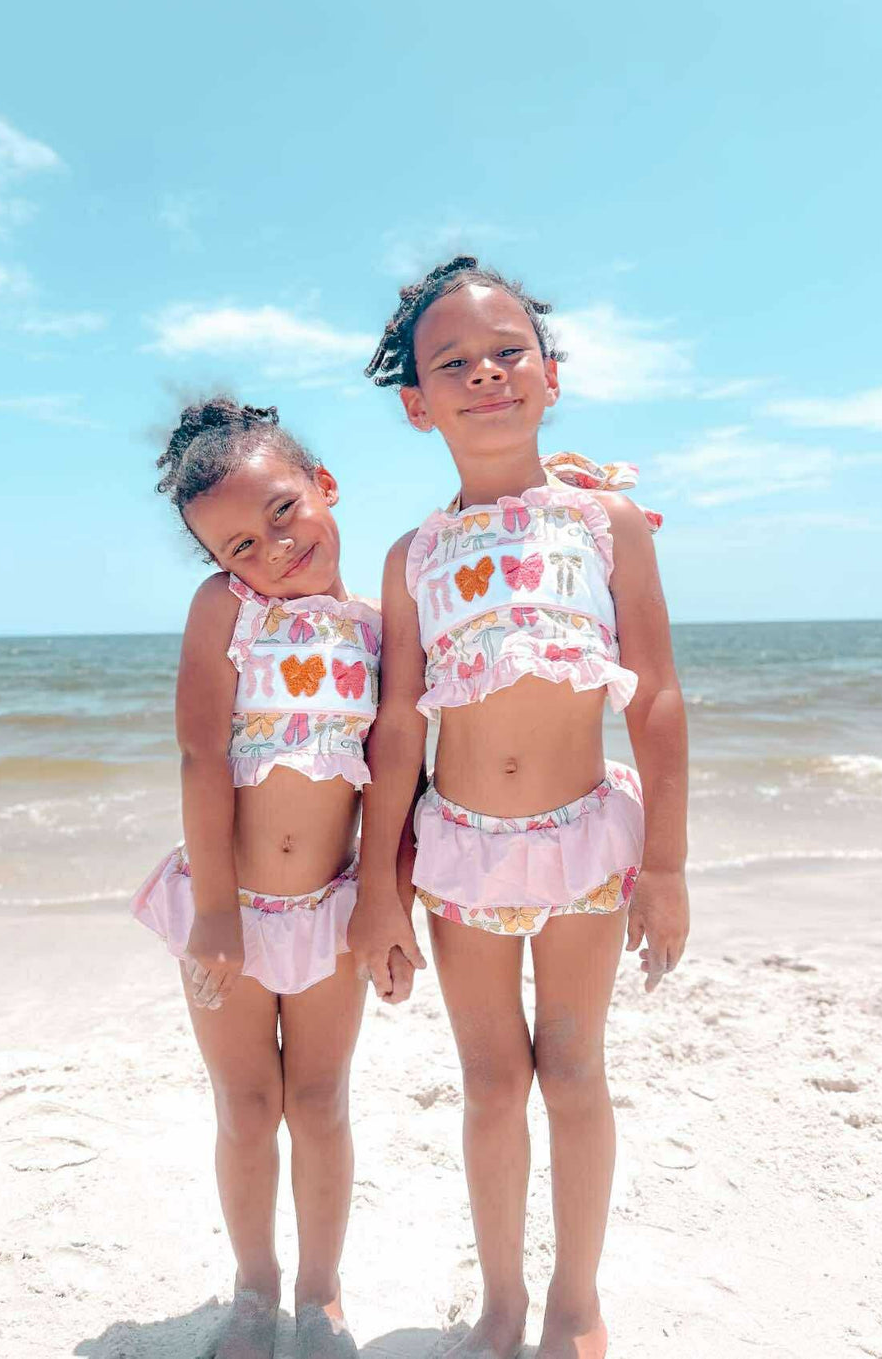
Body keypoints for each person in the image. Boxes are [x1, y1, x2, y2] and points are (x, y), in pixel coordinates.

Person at [350, 258, 689, 1359]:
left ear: (550, 375)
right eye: (453, 363)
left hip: (589, 832)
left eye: (508, 353)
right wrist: (375, 893)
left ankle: (574, 1300)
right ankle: (501, 1300)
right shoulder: (413, 556)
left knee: (576, 1066)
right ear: (416, 403)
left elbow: (659, 697)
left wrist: (671, 867)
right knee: (493, 1081)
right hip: (458, 853)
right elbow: (398, 726)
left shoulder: (605, 525)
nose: (485, 373)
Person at [131, 397, 419, 1359]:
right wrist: (215, 908)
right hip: (231, 910)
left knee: (322, 1101)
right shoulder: (228, 612)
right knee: (248, 1106)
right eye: (240, 545)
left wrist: (386, 900)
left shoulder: (383, 627)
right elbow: (200, 755)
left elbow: (399, 777)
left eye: (284, 512)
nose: (272, 550)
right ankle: (255, 1291)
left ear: (325, 485)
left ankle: (321, 1295)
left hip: (332, 912)